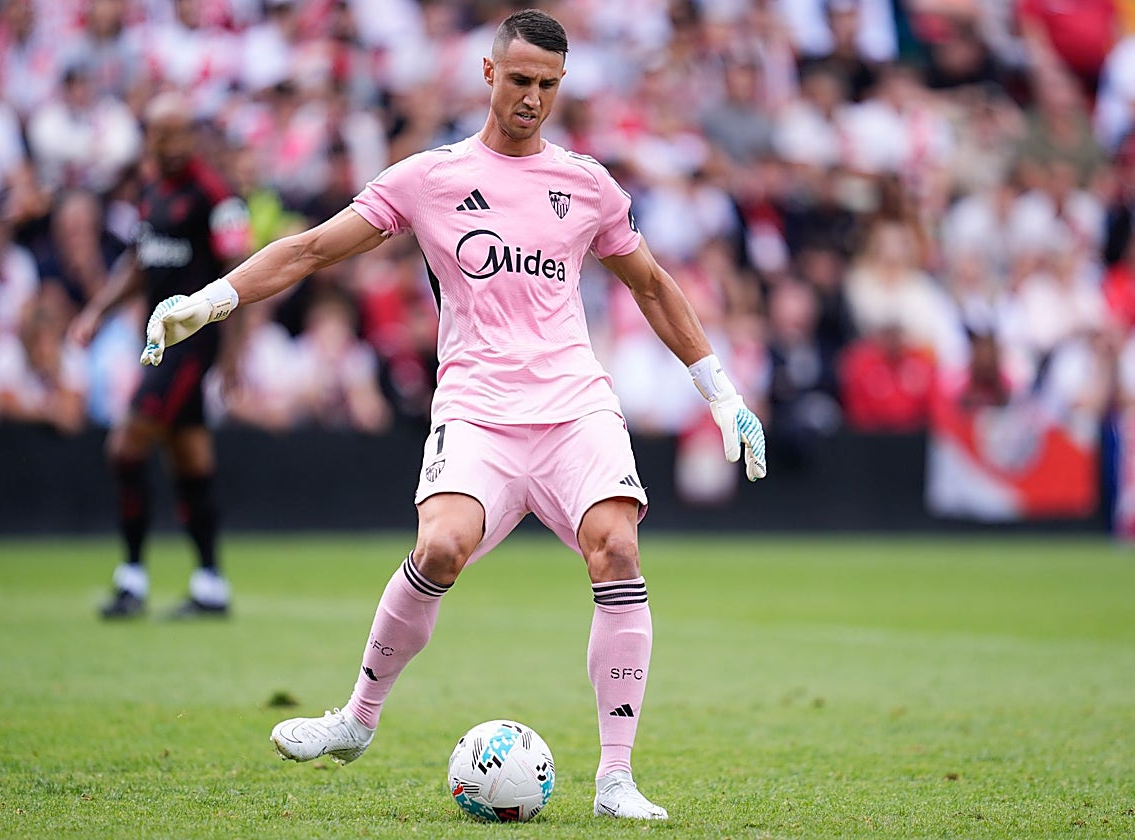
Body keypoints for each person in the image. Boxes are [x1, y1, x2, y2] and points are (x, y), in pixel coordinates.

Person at [138, 10, 765, 820]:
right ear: (488, 74)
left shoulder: (587, 185)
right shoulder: (429, 179)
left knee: (616, 548)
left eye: (546, 85)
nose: (531, 98)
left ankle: (615, 779)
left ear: (560, 85)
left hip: (575, 407)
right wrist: (209, 300)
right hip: (477, 411)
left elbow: (650, 286)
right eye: (519, 81)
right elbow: (311, 249)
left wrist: (722, 392)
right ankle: (356, 721)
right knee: (440, 546)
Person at [69, 91, 252, 619]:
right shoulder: (149, 189)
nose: (166, 144)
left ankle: (131, 579)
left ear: (191, 136)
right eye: (157, 133)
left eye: (175, 133)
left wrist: (235, 353)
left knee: (125, 444)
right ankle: (211, 586)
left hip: (193, 343)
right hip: (157, 342)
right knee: (189, 454)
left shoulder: (216, 194)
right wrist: (98, 310)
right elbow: (139, 260)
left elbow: (240, 273)